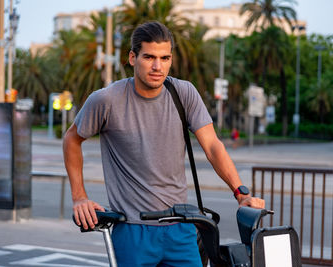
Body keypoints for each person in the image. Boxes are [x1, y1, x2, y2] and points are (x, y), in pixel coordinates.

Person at [63, 21, 265, 267]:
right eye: (149, 57)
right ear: (132, 57)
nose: (158, 66)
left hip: (181, 228)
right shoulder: (107, 100)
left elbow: (212, 145)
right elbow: (72, 138)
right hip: (132, 230)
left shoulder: (183, 93)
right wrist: (79, 196)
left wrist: (240, 193)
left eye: (164, 58)